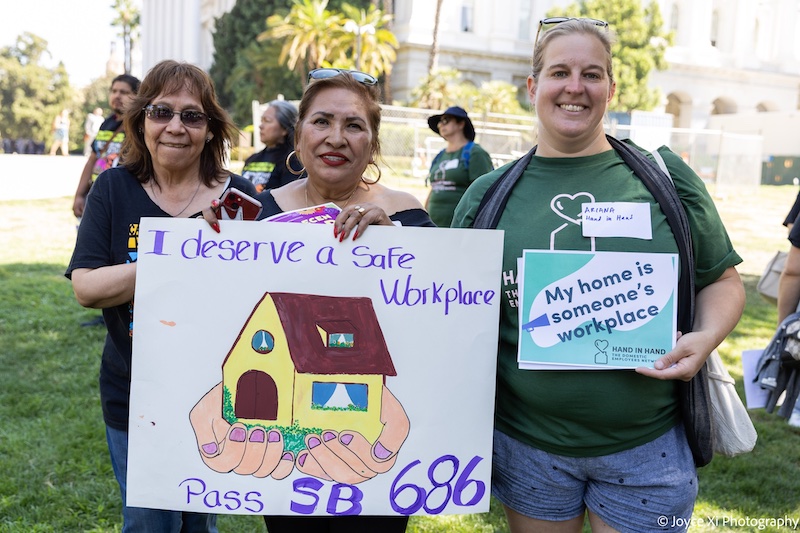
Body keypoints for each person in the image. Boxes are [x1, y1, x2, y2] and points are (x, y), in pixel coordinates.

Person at [451, 18, 745, 532]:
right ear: (533, 86)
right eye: (559, 72)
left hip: (649, 451)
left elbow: (721, 280)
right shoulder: (487, 196)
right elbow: (449, 309)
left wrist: (705, 337)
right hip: (528, 448)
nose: (574, 87)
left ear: (611, 88)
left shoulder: (666, 176)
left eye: (592, 74)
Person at [65, 59, 257, 532]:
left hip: (218, 396)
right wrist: (174, 255)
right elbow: (86, 288)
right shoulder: (112, 189)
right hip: (133, 393)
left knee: (198, 526)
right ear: (141, 121)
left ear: (211, 129)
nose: (175, 126)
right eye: (161, 112)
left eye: (192, 116)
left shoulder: (242, 199)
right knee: (150, 523)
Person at [72, 74, 141, 221]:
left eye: (124, 92)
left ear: (137, 96)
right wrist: (79, 195)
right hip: (99, 194)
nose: (117, 96)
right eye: (114, 91)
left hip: (124, 200)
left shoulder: (140, 126)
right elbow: (92, 159)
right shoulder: (106, 123)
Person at [424, 105, 493, 227]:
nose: (441, 125)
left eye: (446, 120)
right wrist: (424, 216)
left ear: (461, 124)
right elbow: (434, 188)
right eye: (439, 122)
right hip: (433, 228)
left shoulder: (475, 153)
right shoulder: (440, 156)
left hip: (460, 230)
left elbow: (484, 192)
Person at [241, 99, 299, 193]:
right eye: (261, 120)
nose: (261, 126)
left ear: (285, 128)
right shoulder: (252, 159)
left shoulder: (293, 162)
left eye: (267, 121)